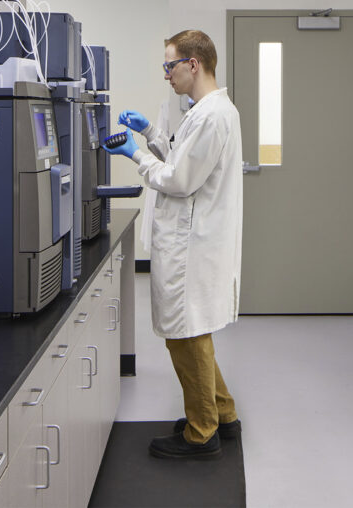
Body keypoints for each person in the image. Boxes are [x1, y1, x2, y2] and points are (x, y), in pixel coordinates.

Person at [104, 29, 243, 460]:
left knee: (186, 337)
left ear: (193, 64)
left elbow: (179, 180)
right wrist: (151, 134)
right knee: (192, 332)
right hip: (195, 240)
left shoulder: (209, 116)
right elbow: (185, 160)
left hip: (190, 245)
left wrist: (136, 156)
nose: (166, 74)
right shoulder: (209, 111)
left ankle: (202, 432)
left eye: (170, 65)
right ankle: (223, 413)